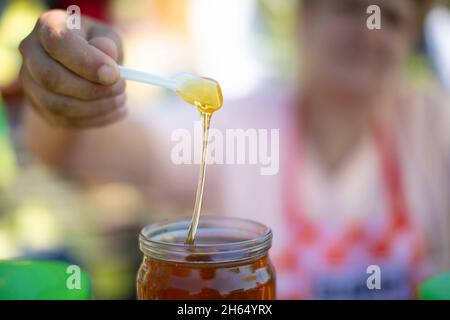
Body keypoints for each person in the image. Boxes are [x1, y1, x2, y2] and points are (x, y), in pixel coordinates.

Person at [18, 0, 450, 299]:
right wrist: (62, 87)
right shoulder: (241, 124)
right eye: (345, 7)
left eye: (389, 18)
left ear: (411, 36)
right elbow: (71, 151)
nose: (366, 30)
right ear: (304, 19)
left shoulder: (433, 124)